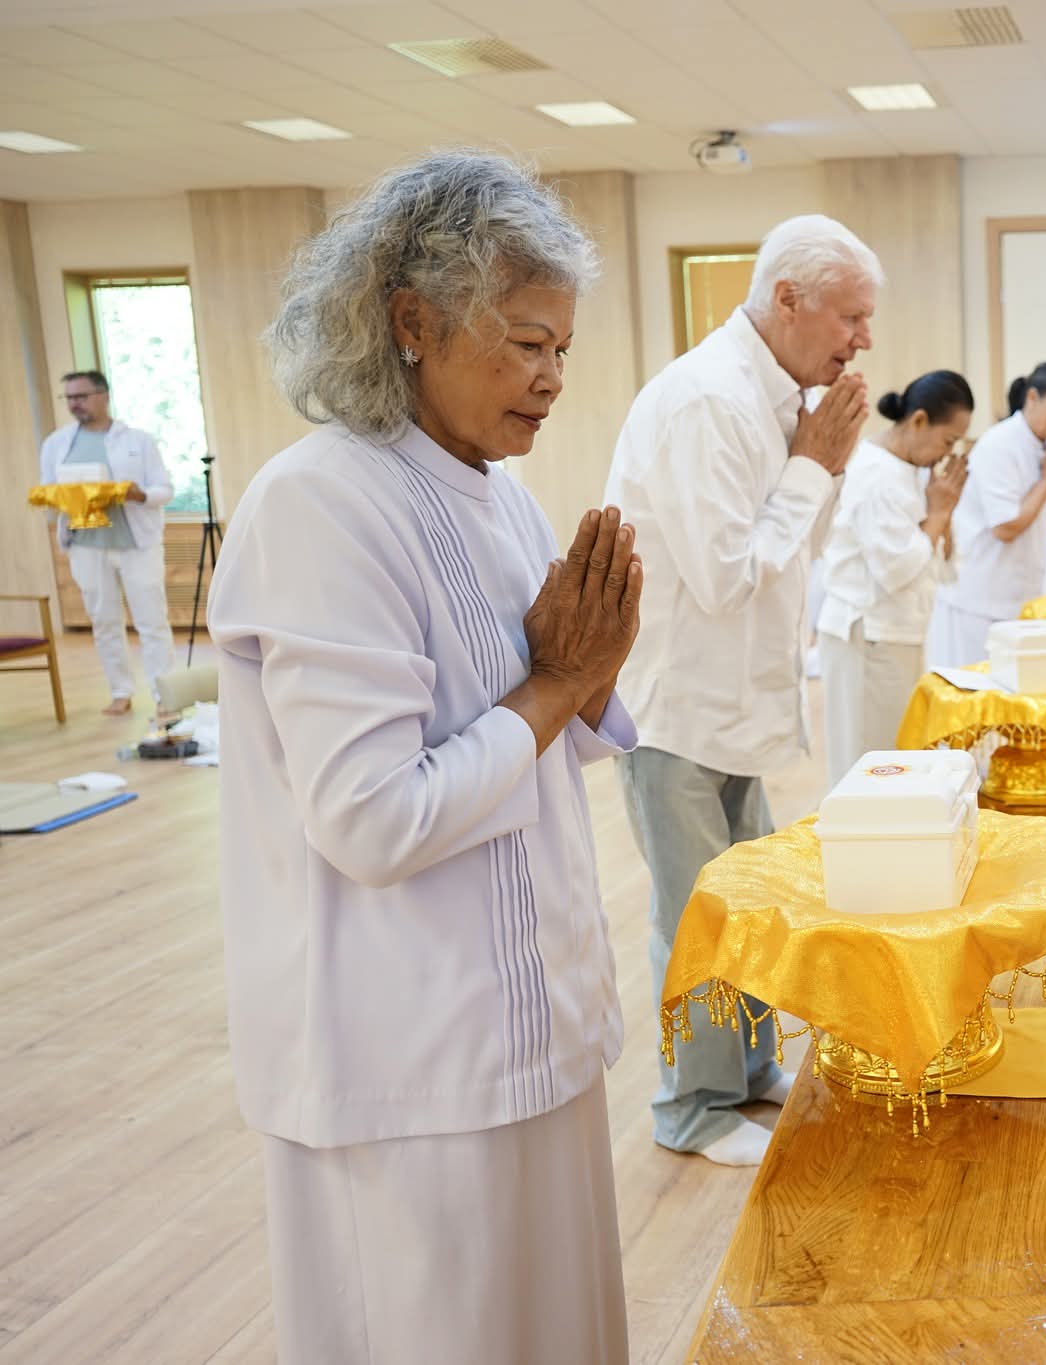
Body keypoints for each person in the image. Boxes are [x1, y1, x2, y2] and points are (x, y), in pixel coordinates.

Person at [209, 151, 639, 1364]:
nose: (553, 379)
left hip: (531, 1014)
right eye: (524, 344)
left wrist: (590, 673)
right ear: (412, 323)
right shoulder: (321, 503)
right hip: (401, 1050)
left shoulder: (499, 492)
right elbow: (371, 821)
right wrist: (555, 683)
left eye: (563, 347)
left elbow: (545, 734)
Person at [603, 213, 877, 1166]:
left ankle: (750, 1071)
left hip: (734, 706)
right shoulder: (708, 401)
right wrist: (815, 465)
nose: (862, 341)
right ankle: (692, 1106)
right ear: (788, 299)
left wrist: (814, 464)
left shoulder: (774, 398)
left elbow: (790, 540)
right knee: (698, 917)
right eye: (851, 316)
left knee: (751, 904)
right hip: (678, 707)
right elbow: (726, 573)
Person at [817, 369, 973, 786]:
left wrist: (944, 512)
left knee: (894, 758)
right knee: (869, 766)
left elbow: (934, 565)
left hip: (894, 633)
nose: (947, 453)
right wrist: (938, 514)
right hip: (868, 635)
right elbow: (895, 570)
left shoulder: (908, 471)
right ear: (918, 421)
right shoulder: (877, 474)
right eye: (947, 441)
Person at [37, 369, 176, 719]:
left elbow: (164, 490)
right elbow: (49, 491)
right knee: (104, 621)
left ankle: (166, 694)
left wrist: (138, 493)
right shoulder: (57, 443)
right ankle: (120, 692)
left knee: (151, 621)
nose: (74, 404)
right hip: (86, 544)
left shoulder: (138, 440)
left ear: (103, 395)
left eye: (81, 396)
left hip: (135, 543)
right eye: (68, 398)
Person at [926, 361, 1046, 668]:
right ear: (1033, 398)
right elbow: (1005, 527)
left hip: (1020, 600)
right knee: (978, 701)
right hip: (980, 601)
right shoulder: (1000, 444)